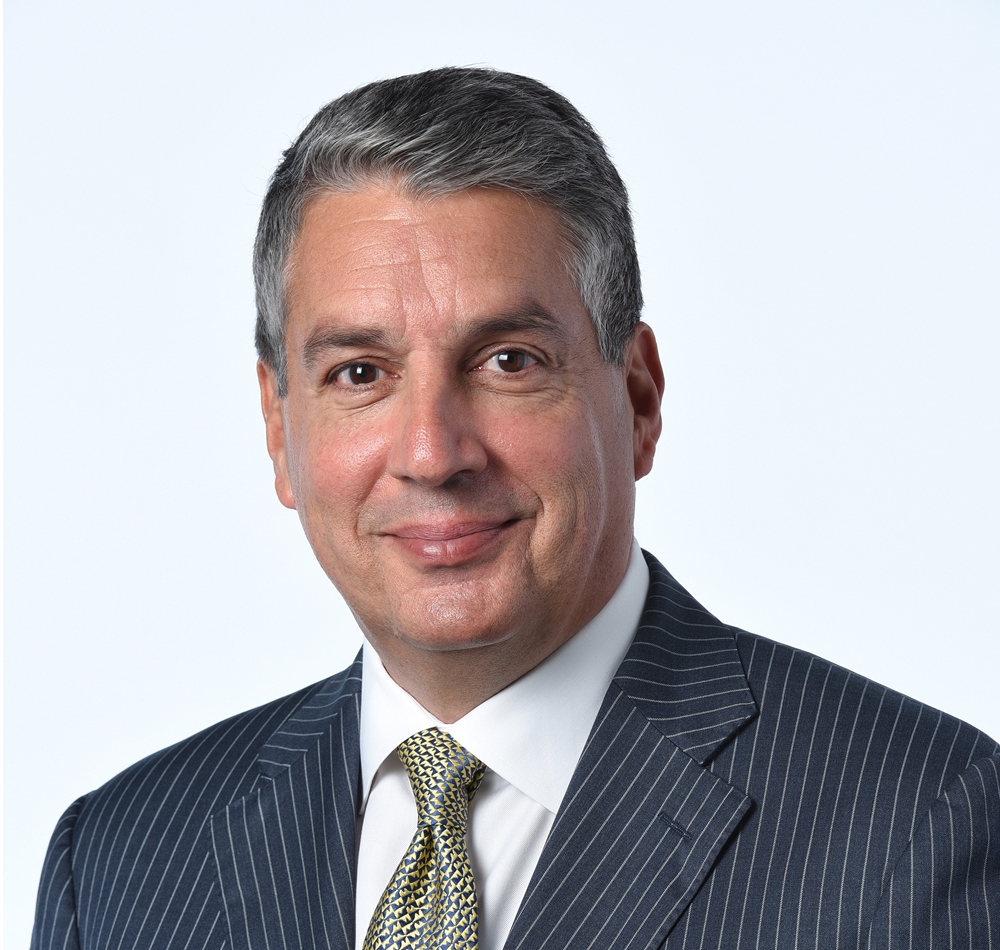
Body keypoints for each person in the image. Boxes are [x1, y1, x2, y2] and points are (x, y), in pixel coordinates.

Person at [32, 67, 998, 950]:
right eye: (360, 373)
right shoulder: (117, 862)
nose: (431, 454)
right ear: (279, 429)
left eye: (508, 362)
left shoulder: (918, 825)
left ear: (638, 399)